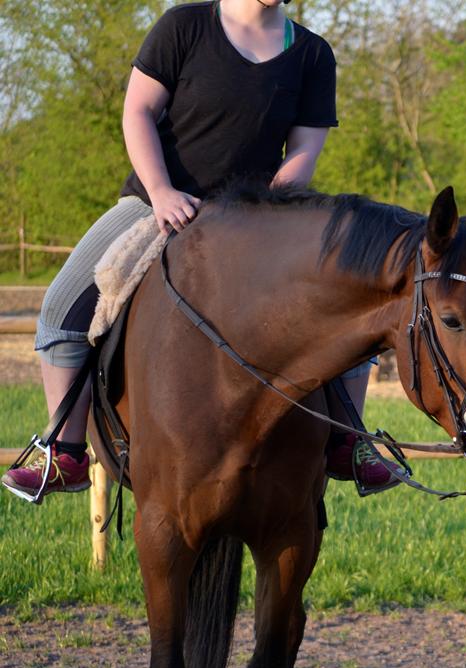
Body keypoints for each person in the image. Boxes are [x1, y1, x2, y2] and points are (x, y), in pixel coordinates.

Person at [2, 0, 399, 503]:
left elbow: (303, 151)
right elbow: (138, 112)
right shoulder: (185, 26)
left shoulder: (314, 54)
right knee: (61, 308)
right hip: (159, 202)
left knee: (348, 293)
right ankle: (65, 453)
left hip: (256, 216)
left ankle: (351, 444)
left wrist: (265, 213)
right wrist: (163, 191)